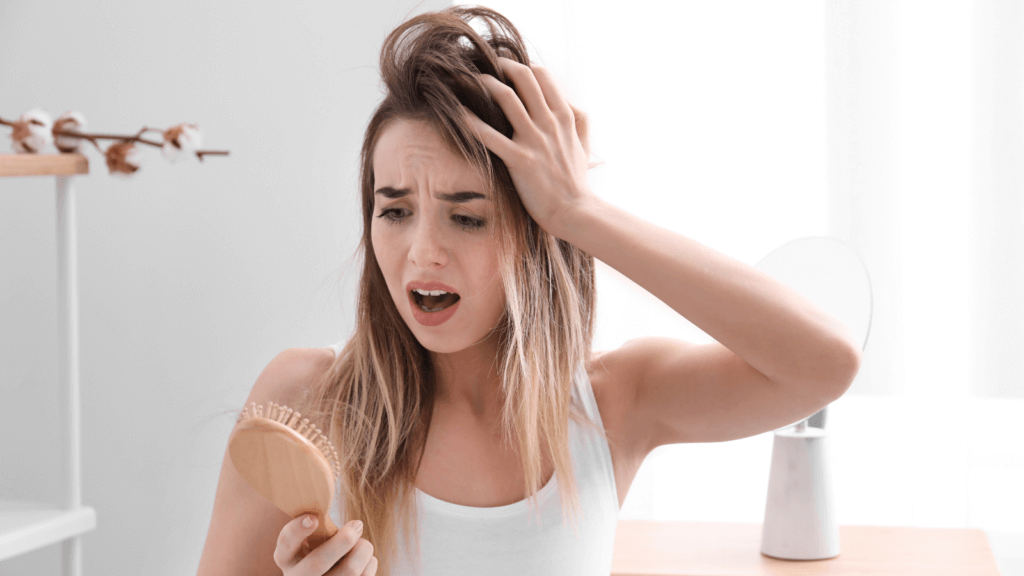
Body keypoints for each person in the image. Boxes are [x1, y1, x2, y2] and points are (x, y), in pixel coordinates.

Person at [196, 5, 862, 576]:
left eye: (468, 216)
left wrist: (581, 214)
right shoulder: (308, 401)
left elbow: (826, 363)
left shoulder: (611, 408)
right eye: (394, 210)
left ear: (535, 227)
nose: (423, 252)